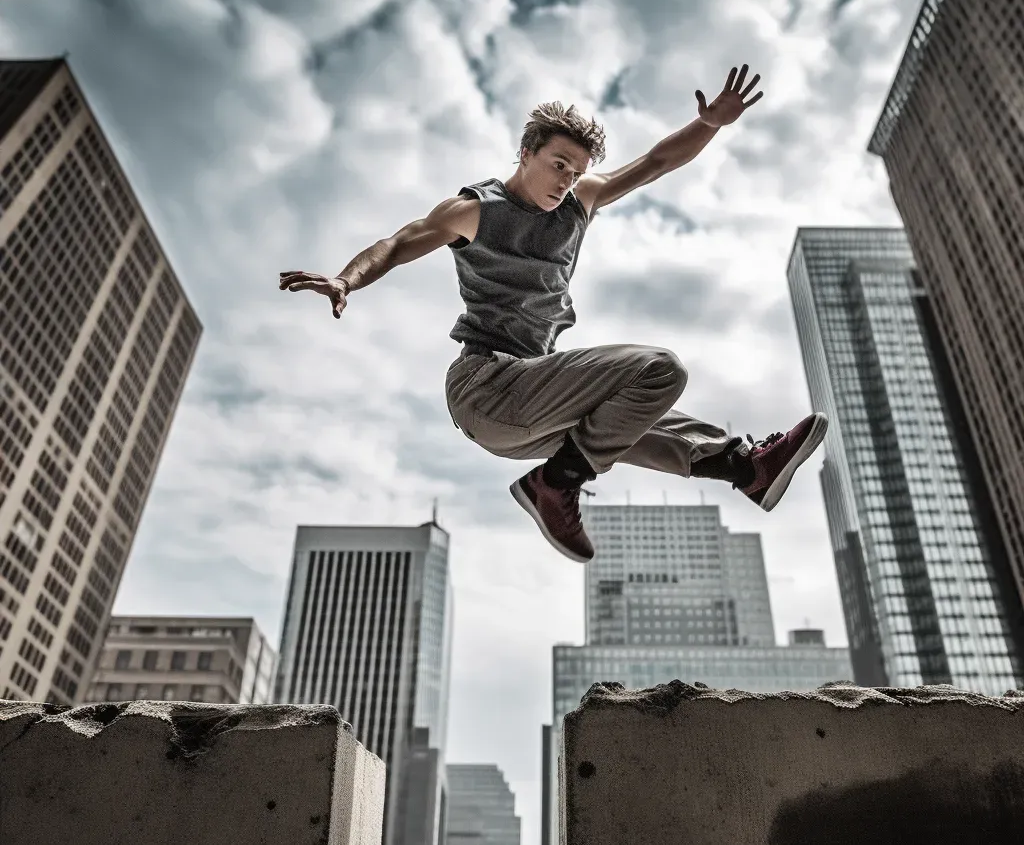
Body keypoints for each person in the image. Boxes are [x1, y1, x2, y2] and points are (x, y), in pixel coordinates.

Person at [279, 65, 828, 563]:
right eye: (557, 164)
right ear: (526, 153)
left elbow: (655, 163)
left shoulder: (579, 201)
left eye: (576, 170)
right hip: (486, 386)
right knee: (660, 368)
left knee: (622, 420)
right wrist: (346, 278)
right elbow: (398, 242)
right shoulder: (474, 210)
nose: (566, 179)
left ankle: (744, 468)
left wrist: (708, 125)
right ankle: (556, 483)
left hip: (533, 407)